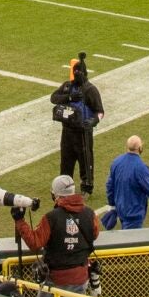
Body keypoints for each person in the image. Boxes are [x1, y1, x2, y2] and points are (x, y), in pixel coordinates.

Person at [12, 173, 98, 292]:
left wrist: (20, 221)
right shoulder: (90, 214)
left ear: (55, 195)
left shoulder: (51, 218)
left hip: (55, 279)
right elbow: (94, 234)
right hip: (80, 276)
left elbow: (35, 243)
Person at [53, 56, 104, 198]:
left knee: (85, 160)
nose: (76, 76)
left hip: (83, 132)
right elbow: (54, 98)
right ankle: (63, 186)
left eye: (79, 73)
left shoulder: (90, 90)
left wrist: (93, 121)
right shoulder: (68, 86)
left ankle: (87, 187)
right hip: (67, 131)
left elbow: (100, 111)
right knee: (66, 161)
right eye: (75, 73)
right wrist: (68, 98)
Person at [103, 135, 149, 231]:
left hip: (121, 208)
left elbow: (109, 186)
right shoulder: (141, 167)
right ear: (140, 148)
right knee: (131, 241)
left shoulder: (116, 162)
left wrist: (112, 204)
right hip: (133, 212)